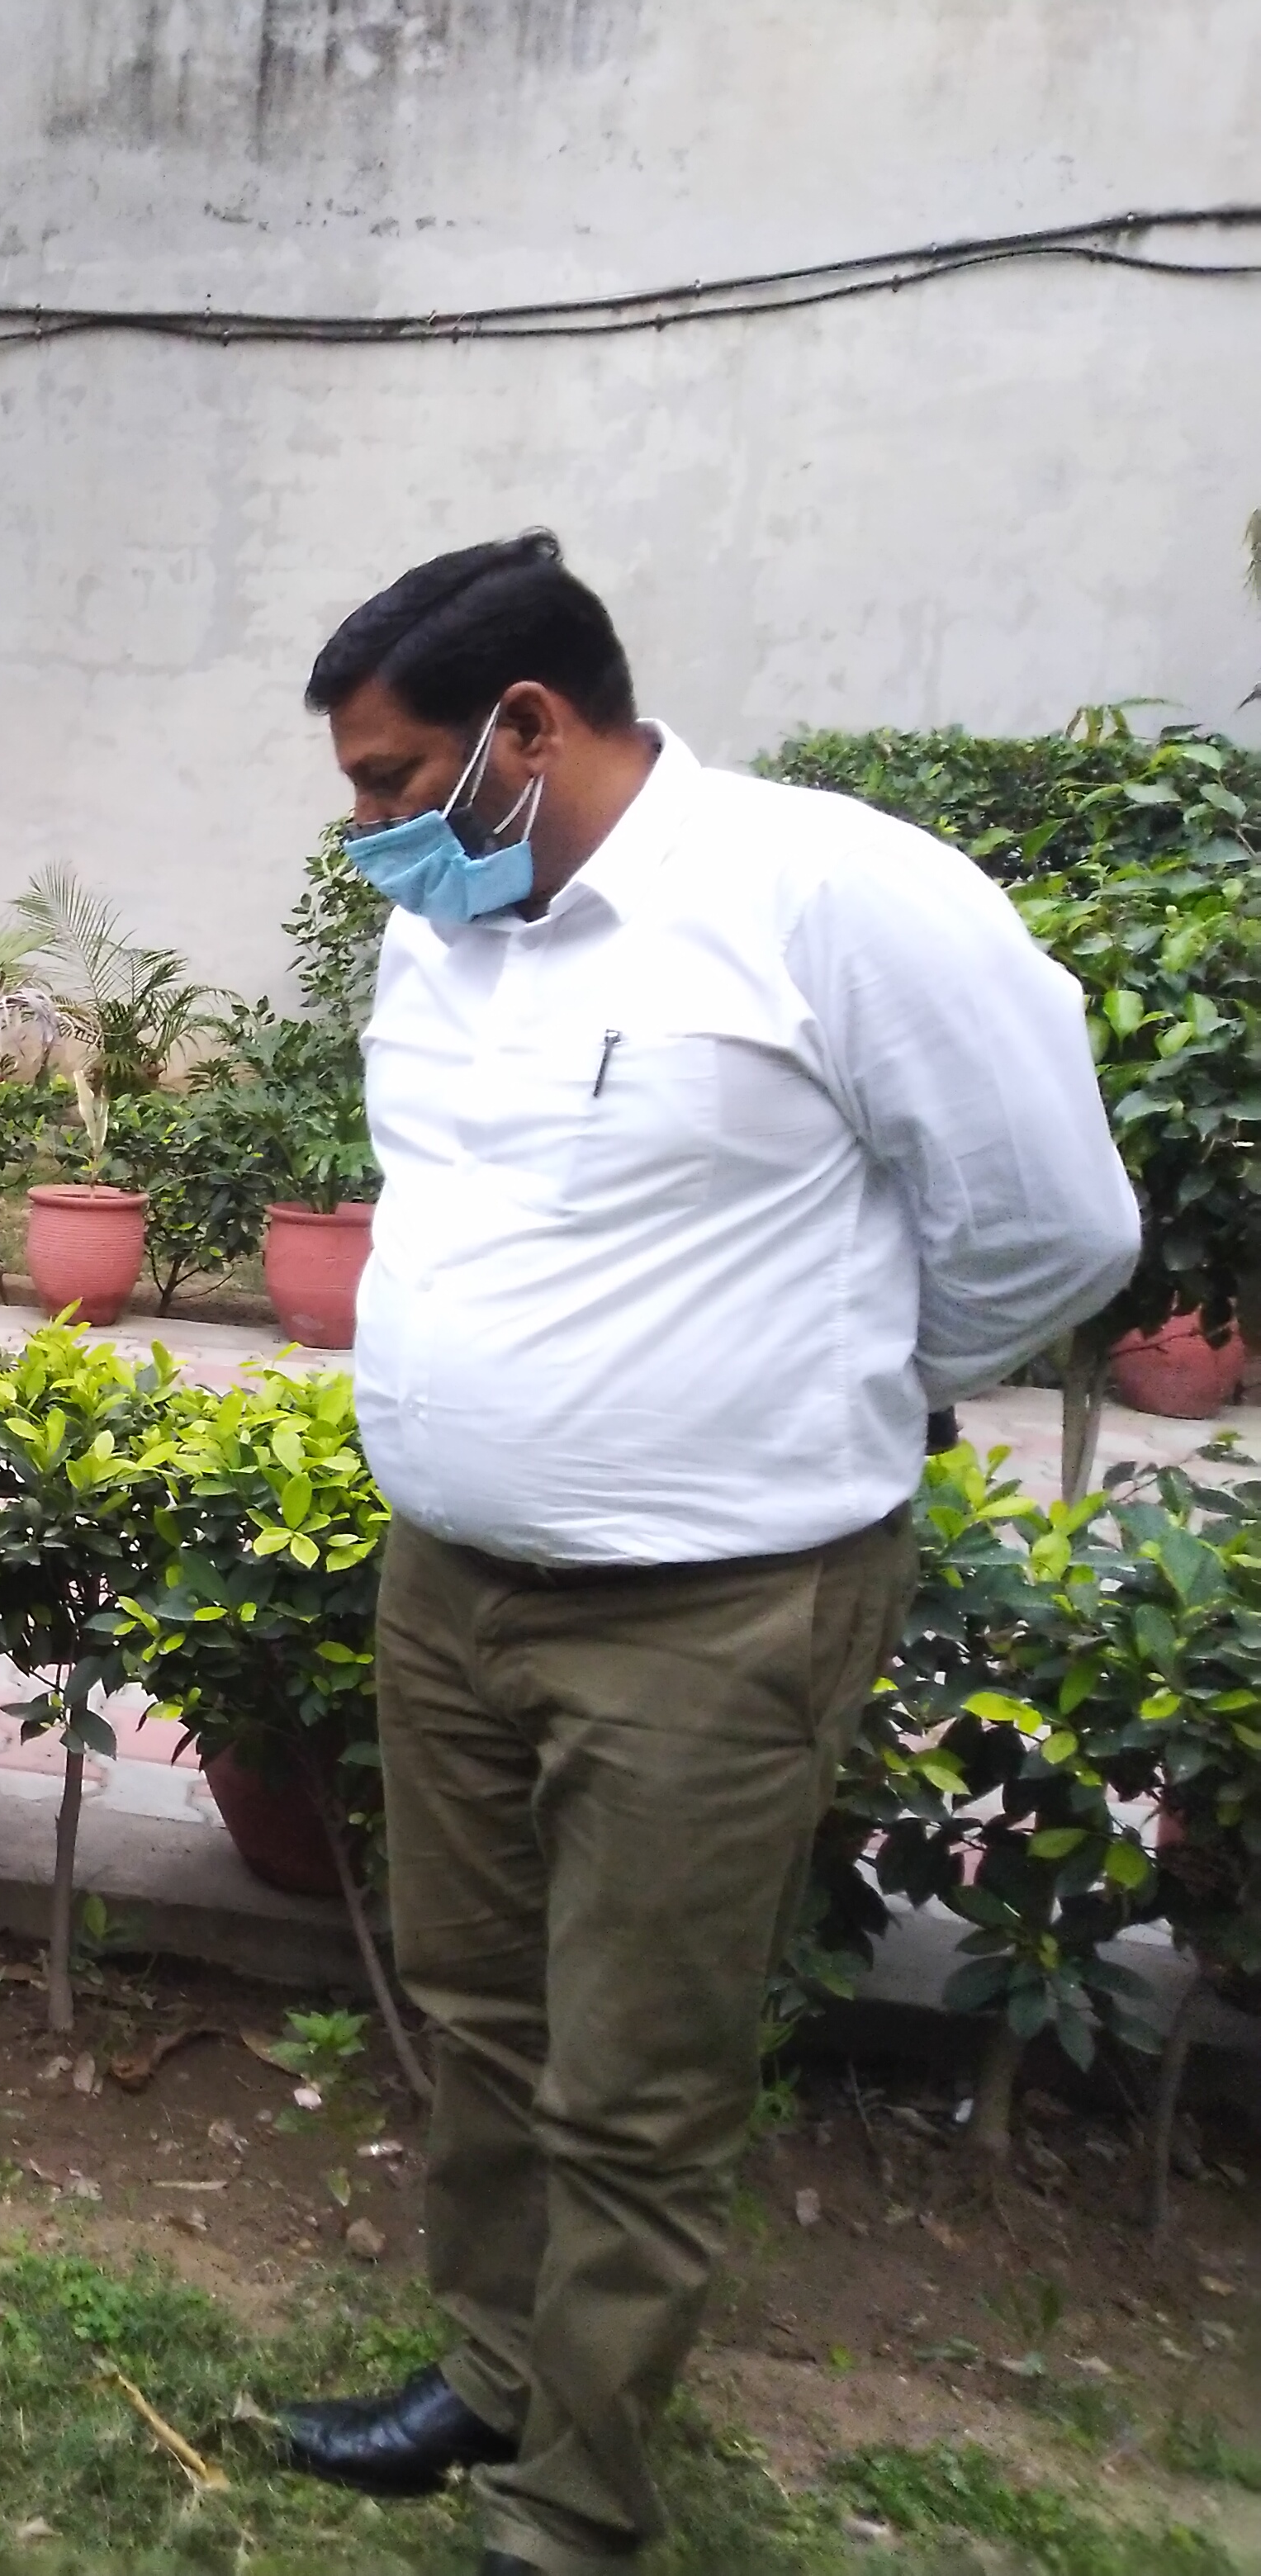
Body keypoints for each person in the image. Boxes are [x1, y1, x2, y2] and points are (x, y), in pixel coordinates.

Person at [264, 534, 1140, 2576]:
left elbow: (1052, 1229)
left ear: (526, 728)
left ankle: (574, 2500)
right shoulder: (444, 931)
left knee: (636, 2073)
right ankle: (490, 2373)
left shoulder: (831, 896)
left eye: (389, 781)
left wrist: (832, 1380)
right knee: (479, 2015)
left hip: (712, 1609)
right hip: (450, 1580)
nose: (368, 831)